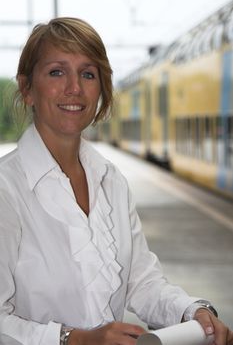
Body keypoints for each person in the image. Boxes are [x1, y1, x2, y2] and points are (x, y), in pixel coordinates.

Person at [0, 17, 232, 345]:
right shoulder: (6, 189)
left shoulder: (111, 181)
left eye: (88, 74)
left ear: (101, 89)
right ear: (27, 89)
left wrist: (191, 312)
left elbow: (140, 281)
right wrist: (75, 339)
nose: (74, 88)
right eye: (56, 72)